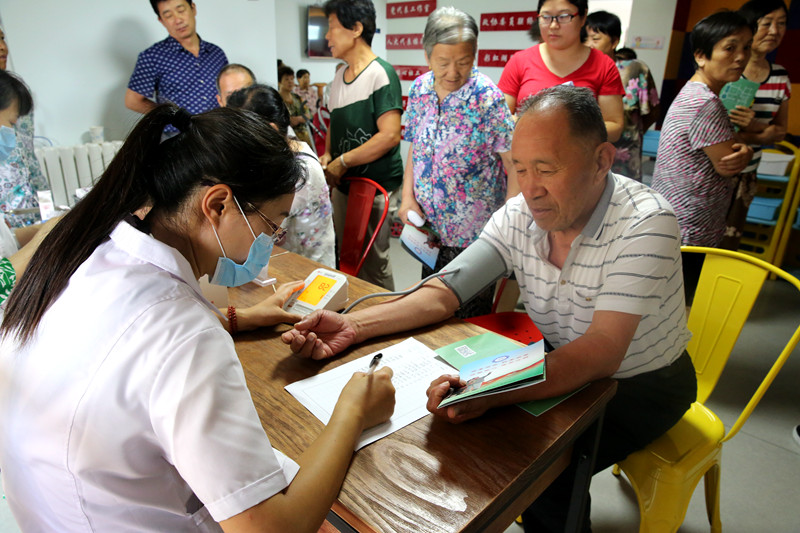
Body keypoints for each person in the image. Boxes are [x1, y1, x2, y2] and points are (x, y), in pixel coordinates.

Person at [281, 86, 696, 531]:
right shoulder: (519, 215)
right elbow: (444, 292)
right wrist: (354, 325)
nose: (530, 188)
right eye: (519, 168)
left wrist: (488, 390)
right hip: (556, 356)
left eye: (546, 169)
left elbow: (602, 351)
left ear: (601, 161)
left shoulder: (646, 223)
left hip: (642, 383)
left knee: (548, 463)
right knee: (472, 440)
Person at [0, 105, 396, 532]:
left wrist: (238, 318)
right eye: (272, 225)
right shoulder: (186, 334)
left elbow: (118, 346)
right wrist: (352, 414)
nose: (269, 242)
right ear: (219, 204)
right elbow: (271, 529)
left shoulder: (83, 250)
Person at [401, 6, 515, 317]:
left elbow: (513, 164)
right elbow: (417, 148)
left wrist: (507, 222)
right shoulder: (420, 89)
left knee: (466, 316)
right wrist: (407, 196)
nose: (453, 72)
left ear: (475, 55)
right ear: (427, 56)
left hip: (474, 234)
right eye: (443, 63)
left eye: (464, 62)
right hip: (428, 228)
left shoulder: (487, 98)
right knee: (428, 306)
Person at [651, 11, 754, 252]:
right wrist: (745, 153)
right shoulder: (705, 102)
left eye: (747, 47)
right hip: (691, 227)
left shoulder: (692, 92)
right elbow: (728, 164)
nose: (741, 57)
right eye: (730, 48)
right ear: (700, 55)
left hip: (674, 218)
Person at [322, 0, 403, 290]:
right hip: (345, 184)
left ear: (356, 28)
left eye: (331, 28)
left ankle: (387, 316)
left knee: (373, 262)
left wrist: (342, 162)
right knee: (347, 257)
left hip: (374, 187)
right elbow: (334, 122)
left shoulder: (380, 73)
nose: (327, 36)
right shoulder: (338, 76)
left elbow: (390, 136)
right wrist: (329, 154)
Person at [228, 84, 336, 268]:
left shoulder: (297, 169)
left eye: (242, 136)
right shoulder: (291, 149)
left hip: (306, 271)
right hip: (285, 262)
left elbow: (256, 232)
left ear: (270, 130)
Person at [498, 0, 624, 142]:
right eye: (546, 17)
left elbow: (615, 126)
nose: (553, 25)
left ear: (583, 18)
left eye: (564, 16)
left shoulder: (604, 66)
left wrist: (572, 131)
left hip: (578, 160)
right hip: (526, 158)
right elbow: (500, 116)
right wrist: (537, 126)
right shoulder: (520, 61)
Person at [725, 0, 792, 248]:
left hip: (748, 173)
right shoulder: (726, 70)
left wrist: (751, 128)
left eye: (782, 24)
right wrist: (762, 133)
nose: (775, 31)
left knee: (730, 242)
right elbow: (716, 131)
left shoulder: (780, 76)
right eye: (767, 23)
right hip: (715, 170)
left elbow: (780, 131)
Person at [125, 0, 228, 135]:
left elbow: (228, 93)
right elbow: (133, 101)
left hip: (216, 134)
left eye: (181, 10)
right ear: (161, 20)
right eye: (168, 15)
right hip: (177, 137)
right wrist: (172, 115)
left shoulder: (216, 53)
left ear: (193, 8)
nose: (177, 20)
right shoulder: (152, 56)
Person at [585, 11, 661, 182]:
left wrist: (633, 132)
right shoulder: (580, 73)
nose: (589, 44)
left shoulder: (633, 70)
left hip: (624, 156)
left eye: (595, 39)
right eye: (585, 39)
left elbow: (653, 110)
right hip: (588, 157)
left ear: (614, 41)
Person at [0, 38, 48, 229]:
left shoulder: (15, 93)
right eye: (12, 122)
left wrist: (47, 208)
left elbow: (29, 158)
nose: (2, 45)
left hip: (24, 222)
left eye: (2, 38)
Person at [277, 65, 314, 148]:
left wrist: (297, 119)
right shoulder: (277, 99)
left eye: (292, 79)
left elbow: (308, 115)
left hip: (305, 139)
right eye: (286, 79)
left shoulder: (297, 98)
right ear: (279, 82)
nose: (290, 82)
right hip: (288, 140)